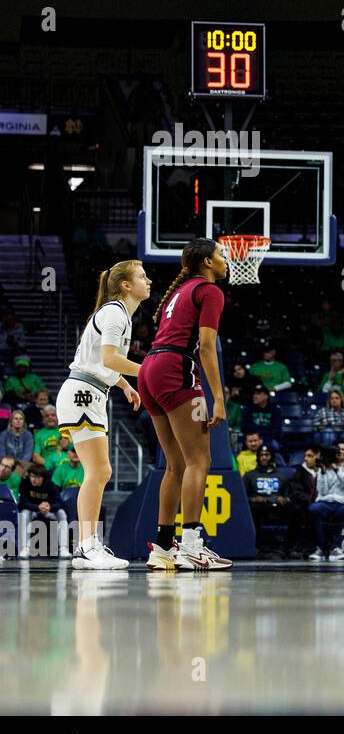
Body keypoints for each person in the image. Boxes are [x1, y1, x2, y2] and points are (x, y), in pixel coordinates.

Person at [139, 237, 232, 571]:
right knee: (199, 461)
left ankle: (163, 548)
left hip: (150, 368)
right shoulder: (210, 291)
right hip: (175, 370)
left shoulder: (178, 291)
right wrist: (219, 398)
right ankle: (191, 544)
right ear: (206, 262)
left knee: (175, 464)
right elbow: (206, 348)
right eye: (220, 255)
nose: (225, 260)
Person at [51, 259, 151, 568]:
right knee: (99, 472)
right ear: (125, 285)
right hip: (83, 393)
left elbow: (103, 360)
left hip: (92, 391)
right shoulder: (114, 313)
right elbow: (109, 358)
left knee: (99, 472)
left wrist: (124, 385)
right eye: (142, 277)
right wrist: (149, 372)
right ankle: (86, 547)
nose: (148, 282)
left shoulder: (119, 314)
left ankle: (88, 546)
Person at [307, 444, 344, 561]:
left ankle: (338, 548)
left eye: (342, 449)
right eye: (337, 450)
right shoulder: (324, 468)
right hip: (325, 503)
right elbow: (322, 491)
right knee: (313, 509)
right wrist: (323, 472)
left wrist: (337, 471)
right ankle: (320, 548)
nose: (340, 452)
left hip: (342, 504)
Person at [242, 445, 290, 556]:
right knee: (253, 509)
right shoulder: (250, 476)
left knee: (292, 508)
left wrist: (284, 499)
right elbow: (243, 497)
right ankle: (258, 546)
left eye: (267, 455)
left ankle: (286, 547)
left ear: (272, 457)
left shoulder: (282, 475)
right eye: (261, 455)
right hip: (258, 508)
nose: (264, 458)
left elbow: (288, 495)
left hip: (278, 508)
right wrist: (253, 499)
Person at [16, 465, 69, 559]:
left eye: (37, 477)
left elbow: (60, 503)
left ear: (43, 478)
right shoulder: (25, 483)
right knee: (24, 514)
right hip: (32, 510)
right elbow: (22, 503)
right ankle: (24, 549)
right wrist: (37, 507)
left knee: (61, 513)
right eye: (32, 476)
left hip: (48, 511)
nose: (33, 479)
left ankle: (63, 549)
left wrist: (50, 507)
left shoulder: (50, 485)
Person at [282, 445, 320, 557]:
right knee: (298, 510)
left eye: (310, 456)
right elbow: (296, 493)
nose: (305, 459)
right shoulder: (299, 473)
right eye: (305, 456)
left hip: (326, 504)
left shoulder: (326, 471)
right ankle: (298, 548)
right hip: (305, 505)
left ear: (318, 457)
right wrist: (312, 501)